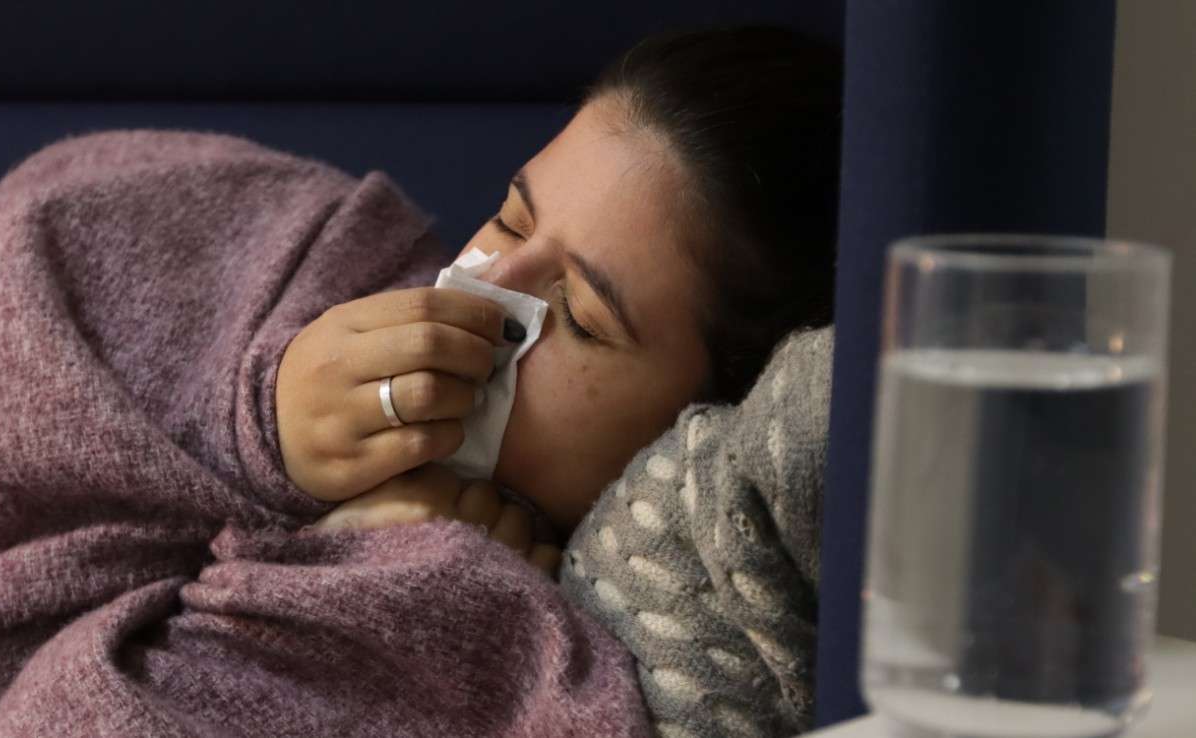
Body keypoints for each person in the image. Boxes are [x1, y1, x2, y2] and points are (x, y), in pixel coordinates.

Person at [281, 27, 842, 572]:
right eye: (510, 222)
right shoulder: (325, 247)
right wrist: (271, 431)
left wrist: (378, 575)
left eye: (580, 318)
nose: (490, 287)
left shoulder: (612, 612)